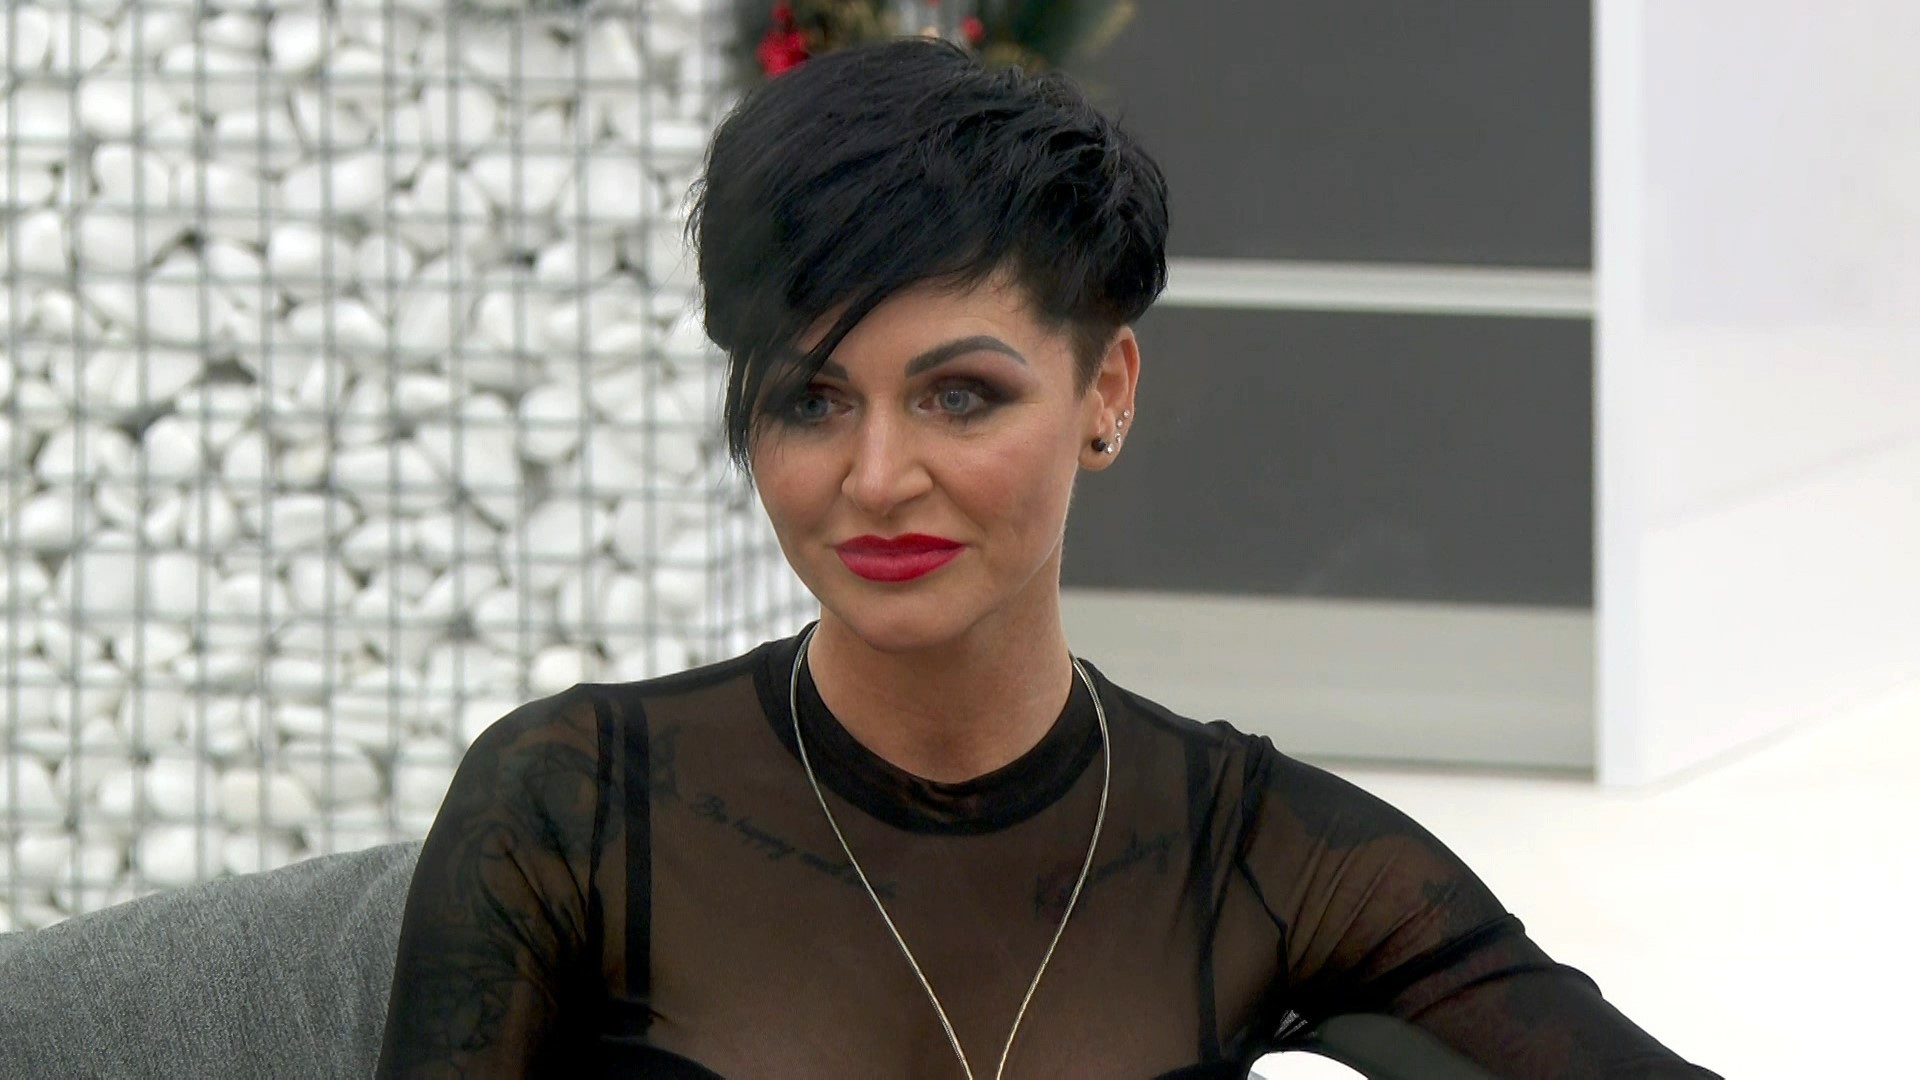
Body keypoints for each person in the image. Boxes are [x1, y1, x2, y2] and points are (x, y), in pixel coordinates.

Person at [374, 39, 1719, 1079]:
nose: (878, 477)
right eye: (812, 401)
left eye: (960, 396)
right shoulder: (575, 807)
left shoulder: (1256, 853)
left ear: (1106, 391)